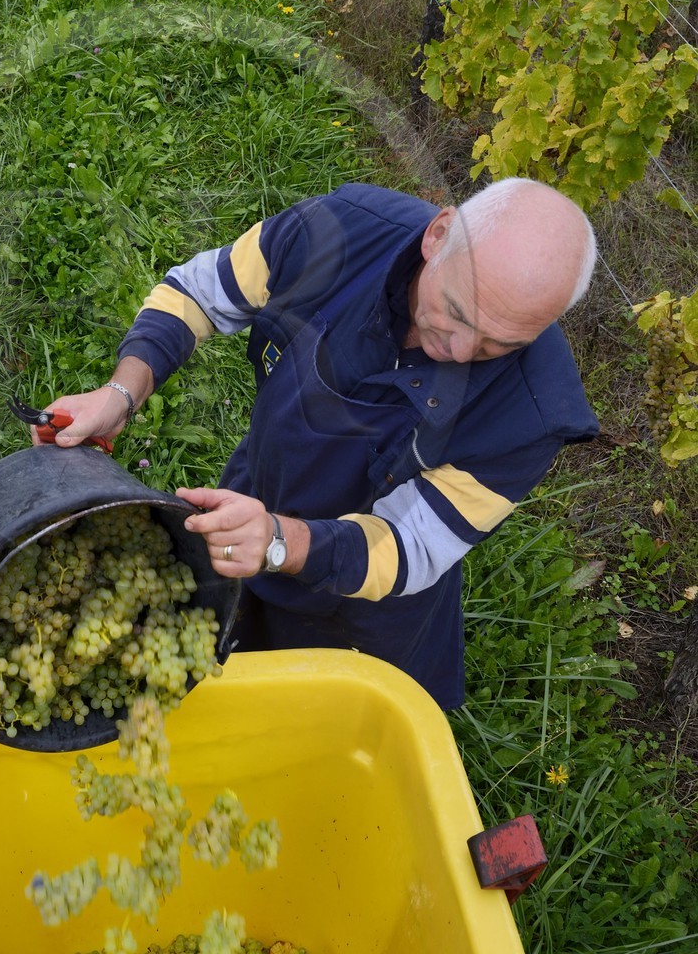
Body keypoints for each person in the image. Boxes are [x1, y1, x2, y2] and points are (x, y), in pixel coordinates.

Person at [36, 179, 599, 711]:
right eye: (455, 311)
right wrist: (121, 393)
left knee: (305, 716)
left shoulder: (532, 415)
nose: (459, 349)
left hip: (356, 605)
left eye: (498, 344)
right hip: (257, 491)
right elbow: (199, 293)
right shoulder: (338, 230)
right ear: (438, 235)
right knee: (220, 662)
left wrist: (279, 541)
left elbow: (411, 545)